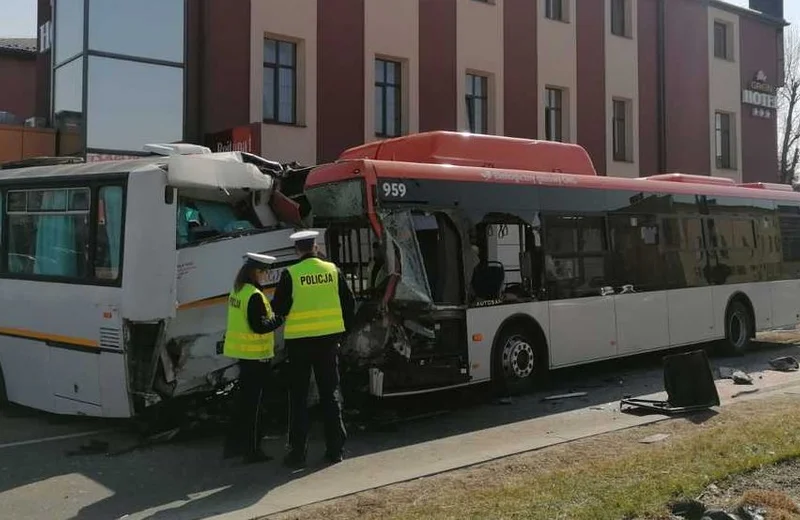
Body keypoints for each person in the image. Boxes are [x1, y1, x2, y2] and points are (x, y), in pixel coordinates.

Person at [270, 230, 356, 468]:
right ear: (316, 246)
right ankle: (336, 450)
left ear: (297, 250)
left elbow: (279, 308)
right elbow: (350, 304)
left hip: (299, 344)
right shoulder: (332, 271)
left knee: (299, 399)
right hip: (328, 342)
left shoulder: (291, 274)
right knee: (330, 394)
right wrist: (342, 333)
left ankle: (298, 454)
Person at [222, 252, 285, 464]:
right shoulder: (254, 295)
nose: (266, 276)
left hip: (244, 356)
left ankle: (236, 446)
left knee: (244, 404)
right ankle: (252, 450)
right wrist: (279, 320)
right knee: (256, 407)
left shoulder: (238, 290)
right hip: (257, 358)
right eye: (264, 272)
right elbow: (259, 326)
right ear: (255, 272)